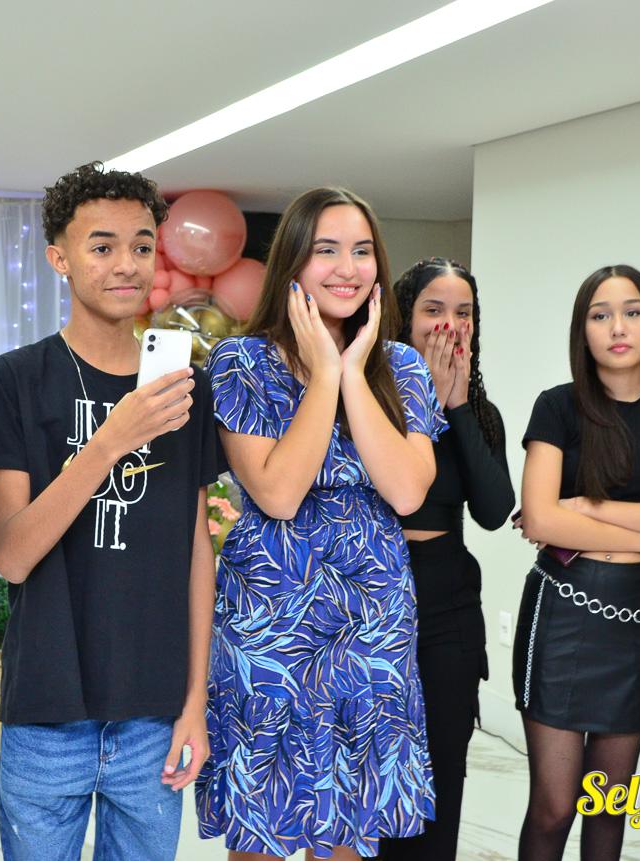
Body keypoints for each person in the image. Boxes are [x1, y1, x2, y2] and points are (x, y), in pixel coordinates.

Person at [0, 161, 220, 861]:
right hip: (47, 712)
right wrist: (111, 440)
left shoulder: (185, 388)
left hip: (154, 714)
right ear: (60, 259)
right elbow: (13, 555)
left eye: (141, 246)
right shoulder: (16, 379)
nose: (126, 264)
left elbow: (197, 551)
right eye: (101, 246)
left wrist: (195, 701)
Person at [196, 187, 442, 860]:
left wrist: (353, 372)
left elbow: (406, 490)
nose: (347, 268)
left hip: (372, 626)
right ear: (293, 263)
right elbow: (278, 492)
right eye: (326, 250)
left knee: (348, 837)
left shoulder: (402, 368)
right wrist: (325, 375)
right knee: (264, 833)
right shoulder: (241, 361)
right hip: (270, 627)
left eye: (362, 251)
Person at [513, 264, 640, 860]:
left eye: (632, 312)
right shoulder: (558, 407)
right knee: (554, 807)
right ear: (583, 330)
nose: (617, 327)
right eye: (600, 315)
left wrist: (588, 505)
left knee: (608, 807)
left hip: (636, 618)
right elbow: (540, 519)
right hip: (563, 609)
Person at [379, 258, 514, 860]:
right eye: (433, 310)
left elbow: (494, 509)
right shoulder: (367, 402)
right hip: (372, 591)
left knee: (441, 770)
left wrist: (456, 407)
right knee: (370, 770)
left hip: (447, 602)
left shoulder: (479, 413)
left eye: (464, 313)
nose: (449, 326)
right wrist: (421, 398)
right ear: (403, 320)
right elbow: (394, 494)